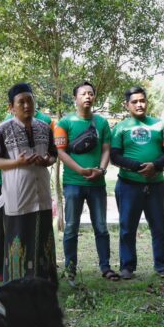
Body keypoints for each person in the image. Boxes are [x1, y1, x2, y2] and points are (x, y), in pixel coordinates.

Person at [0, 83, 58, 283]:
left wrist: (46, 161)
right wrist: (16, 162)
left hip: (41, 194)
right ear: (11, 107)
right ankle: (17, 284)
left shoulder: (44, 127)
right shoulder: (3, 130)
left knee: (43, 238)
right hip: (18, 196)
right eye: (21, 102)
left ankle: (45, 282)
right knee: (18, 239)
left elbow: (54, 154)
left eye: (30, 100)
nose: (27, 105)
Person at [54, 81, 117, 283]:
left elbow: (107, 149)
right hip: (73, 183)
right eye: (83, 94)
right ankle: (70, 268)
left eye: (91, 93)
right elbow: (60, 152)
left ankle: (105, 267)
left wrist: (101, 169)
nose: (87, 97)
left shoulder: (102, 123)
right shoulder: (64, 123)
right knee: (71, 226)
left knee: (101, 226)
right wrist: (79, 170)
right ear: (75, 98)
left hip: (97, 184)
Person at [110, 86, 164, 280]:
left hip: (156, 185)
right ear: (127, 105)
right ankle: (127, 266)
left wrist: (155, 166)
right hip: (128, 185)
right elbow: (114, 156)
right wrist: (139, 167)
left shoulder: (160, 125)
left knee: (160, 228)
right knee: (128, 228)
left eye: (142, 100)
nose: (140, 104)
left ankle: (162, 265)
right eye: (135, 101)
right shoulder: (120, 127)